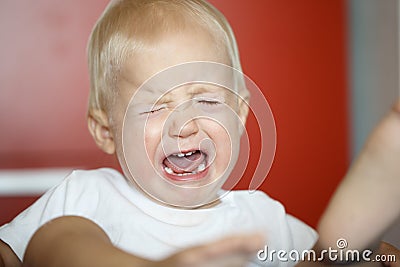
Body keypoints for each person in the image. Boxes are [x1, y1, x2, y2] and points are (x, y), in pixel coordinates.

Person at [0, 1, 318, 266]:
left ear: (239, 115)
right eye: (155, 107)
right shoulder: (87, 195)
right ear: (106, 130)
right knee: (64, 232)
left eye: (206, 100)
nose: (184, 126)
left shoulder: (264, 219)